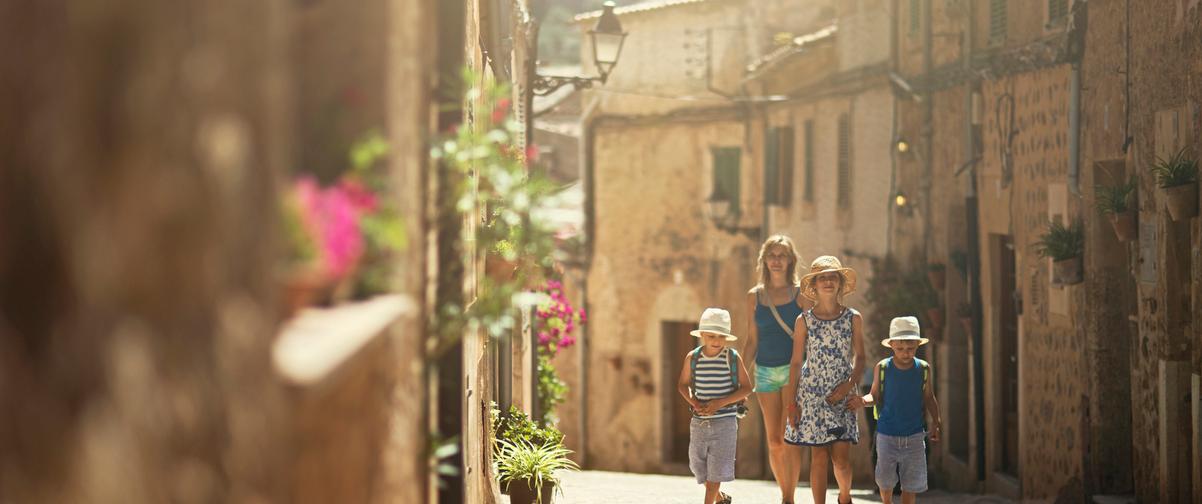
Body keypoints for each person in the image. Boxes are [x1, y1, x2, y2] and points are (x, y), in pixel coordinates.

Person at [783, 256, 866, 504]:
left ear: (839, 283)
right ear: (815, 285)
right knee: (817, 457)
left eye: (832, 276)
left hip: (842, 391)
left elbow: (861, 358)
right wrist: (791, 403)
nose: (828, 281)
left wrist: (847, 387)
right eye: (822, 277)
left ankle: (844, 497)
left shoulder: (853, 318)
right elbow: (796, 362)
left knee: (840, 459)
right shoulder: (803, 320)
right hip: (811, 393)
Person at [744, 235, 810, 504]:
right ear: (764, 260)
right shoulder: (755, 296)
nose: (776, 261)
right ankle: (786, 494)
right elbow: (751, 340)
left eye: (782, 255)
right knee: (774, 441)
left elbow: (812, 336)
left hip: (793, 373)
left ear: (791, 260)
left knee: (790, 436)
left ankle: (788, 498)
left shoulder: (801, 295)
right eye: (772, 255)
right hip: (765, 372)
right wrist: (740, 376)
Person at [850, 316, 942, 504]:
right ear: (891, 345)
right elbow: (874, 396)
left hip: (915, 436)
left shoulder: (923, 369)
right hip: (887, 435)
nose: (905, 353)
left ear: (917, 344)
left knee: (911, 483)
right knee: (885, 481)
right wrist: (862, 400)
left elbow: (929, 397)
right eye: (900, 349)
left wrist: (936, 422)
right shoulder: (883, 368)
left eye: (910, 349)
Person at [677, 307, 754, 504]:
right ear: (702, 334)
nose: (716, 340)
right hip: (699, 422)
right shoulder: (692, 358)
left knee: (717, 470)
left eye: (721, 336)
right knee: (697, 466)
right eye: (711, 336)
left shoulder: (732, 357)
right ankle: (719, 499)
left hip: (725, 423)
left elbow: (746, 388)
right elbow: (682, 385)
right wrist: (693, 402)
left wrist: (720, 403)